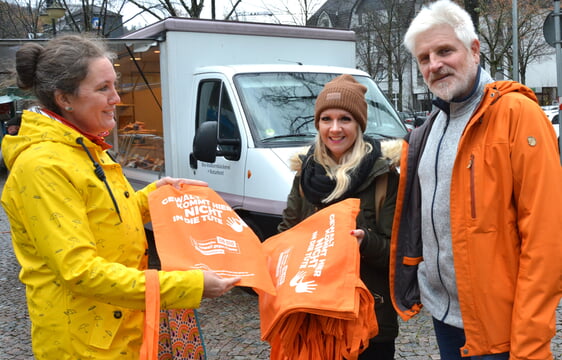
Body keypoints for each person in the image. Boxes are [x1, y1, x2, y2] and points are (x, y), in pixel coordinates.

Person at [0, 34, 240, 359]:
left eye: (115, 85)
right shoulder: (43, 167)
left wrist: (156, 196)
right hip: (85, 345)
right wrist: (189, 286)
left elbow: (107, 216)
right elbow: (80, 272)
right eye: (103, 88)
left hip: (119, 328)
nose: (117, 98)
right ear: (64, 98)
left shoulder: (86, 148)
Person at [389, 1, 562, 359]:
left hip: (500, 326)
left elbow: (547, 241)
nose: (434, 65)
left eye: (444, 50)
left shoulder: (519, 116)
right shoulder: (429, 129)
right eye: (424, 58)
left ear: (474, 48)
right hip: (444, 316)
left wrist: (529, 345)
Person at [278, 74, 402, 359]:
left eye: (345, 119)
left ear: (359, 124)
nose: (335, 129)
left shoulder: (383, 177)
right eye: (326, 119)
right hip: (314, 317)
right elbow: (286, 234)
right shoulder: (305, 174)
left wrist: (365, 241)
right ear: (318, 124)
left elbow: (397, 254)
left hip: (368, 319)